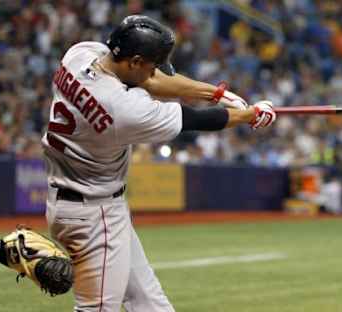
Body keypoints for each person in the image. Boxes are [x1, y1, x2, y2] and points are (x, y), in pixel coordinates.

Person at [42, 15, 276, 312]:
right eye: (151, 63)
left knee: (149, 302)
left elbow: (150, 79)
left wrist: (217, 93)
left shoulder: (79, 55)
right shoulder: (123, 109)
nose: (154, 70)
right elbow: (195, 119)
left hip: (82, 202)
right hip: (92, 214)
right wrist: (250, 116)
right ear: (134, 61)